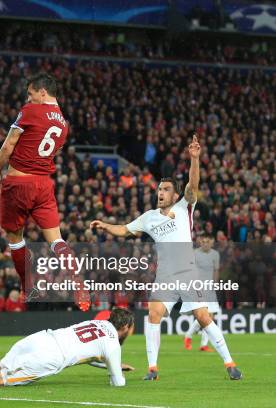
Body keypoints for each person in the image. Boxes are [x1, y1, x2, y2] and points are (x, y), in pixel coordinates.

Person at [89, 135, 242, 381]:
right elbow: (125, 230)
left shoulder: (184, 207)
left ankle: (230, 363)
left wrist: (194, 159)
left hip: (188, 273)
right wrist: (105, 226)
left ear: (175, 194)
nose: (160, 192)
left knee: (203, 317)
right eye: (159, 189)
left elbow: (194, 184)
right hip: (166, 276)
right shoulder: (149, 217)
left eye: (166, 189)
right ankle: (153, 369)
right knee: (154, 313)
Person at [0, 72, 88, 310]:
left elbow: (10, 144)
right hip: (43, 185)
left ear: (43, 92)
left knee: (15, 238)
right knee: (56, 240)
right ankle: (78, 281)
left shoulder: (31, 111)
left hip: (18, 185)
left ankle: (26, 285)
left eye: (31, 94)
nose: (28, 99)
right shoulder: (63, 123)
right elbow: (39, 152)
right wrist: (7, 156)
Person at [0, 308, 135, 388]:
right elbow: (118, 383)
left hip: (42, 338)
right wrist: (115, 369)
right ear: (125, 327)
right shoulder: (112, 344)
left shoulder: (95, 323)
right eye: (130, 329)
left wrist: (109, 364)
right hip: (51, 358)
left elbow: (87, 353)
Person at [184, 234, 221, 352]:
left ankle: (202, 344)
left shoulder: (215, 254)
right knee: (204, 316)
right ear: (200, 242)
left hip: (210, 288)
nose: (205, 243)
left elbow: (216, 270)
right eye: (203, 241)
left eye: (207, 241)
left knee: (210, 317)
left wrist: (215, 284)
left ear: (211, 242)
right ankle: (189, 337)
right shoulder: (194, 253)